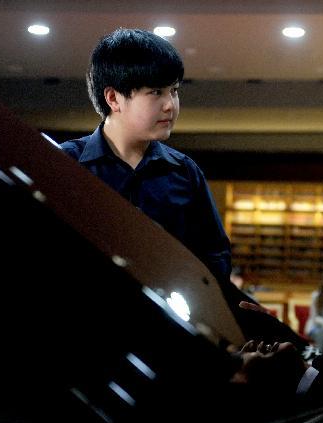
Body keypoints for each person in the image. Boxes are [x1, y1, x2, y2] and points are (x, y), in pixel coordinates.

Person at [60, 28, 231, 282]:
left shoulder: (184, 171)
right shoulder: (66, 165)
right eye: (156, 92)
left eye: (173, 90)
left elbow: (216, 257)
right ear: (113, 98)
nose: (170, 105)